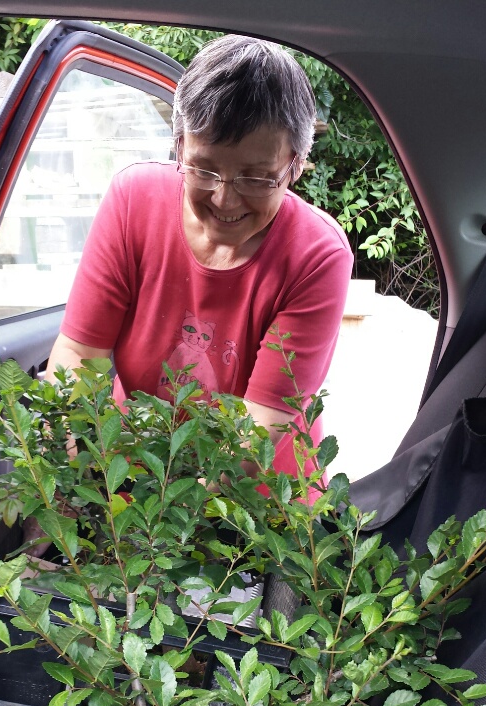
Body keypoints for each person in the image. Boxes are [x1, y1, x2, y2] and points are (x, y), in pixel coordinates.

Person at [45, 34, 353, 478]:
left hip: (257, 497)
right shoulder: (134, 201)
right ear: (180, 144)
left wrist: (163, 507)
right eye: (204, 168)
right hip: (132, 474)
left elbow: (260, 427)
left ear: (297, 163)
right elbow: (79, 352)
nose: (224, 199)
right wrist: (75, 468)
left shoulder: (317, 255)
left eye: (256, 178)